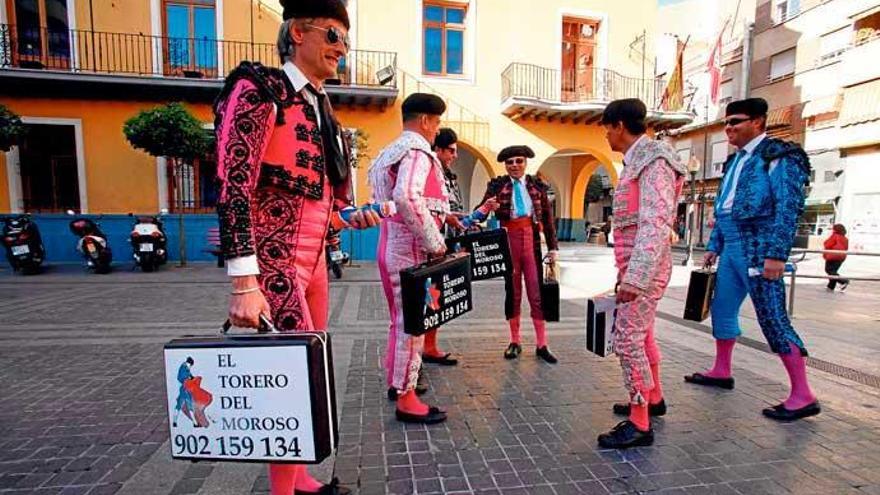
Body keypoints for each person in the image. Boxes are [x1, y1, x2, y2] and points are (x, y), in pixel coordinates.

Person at [215, 1, 379, 493]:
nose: (341, 49)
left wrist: (349, 217)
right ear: (297, 33)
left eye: (345, 41)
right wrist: (245, 283)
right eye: (332, 35)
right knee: (289, 376)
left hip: (315, 264)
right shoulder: (258, 90)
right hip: (276, 263)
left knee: (306, 371)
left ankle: (300, 477)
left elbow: (317, 195)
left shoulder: (320, 105)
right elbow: (234, 186)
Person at [684, 97, 820, 422]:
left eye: (737, 121)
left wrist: (776, 254)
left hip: (759, 246)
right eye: (727, 123)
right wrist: (715, 243)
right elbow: (724, 208)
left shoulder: (780, 156)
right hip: (732, 246)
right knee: (721, 308)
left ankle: (803, 394)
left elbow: (788, 207)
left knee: (772, 316)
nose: (729, 128)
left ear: (758, 122)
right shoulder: (734, 162)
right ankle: (721, 369)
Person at [595, 99, 685, 449]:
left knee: (627, 340)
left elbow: (655, 223)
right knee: (643, 335)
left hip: (643, 271)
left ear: (618, 125)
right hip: (637, 267)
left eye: (606, 127)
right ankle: (654, 398)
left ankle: (639, 419)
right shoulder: (641, 161)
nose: (605, 134)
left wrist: (635, 278)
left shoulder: (652, 161)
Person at [369, 93, 451, 425]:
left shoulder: (387, 152)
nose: (437, 130)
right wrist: (435, 242)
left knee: (399, 321)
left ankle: (397, 382)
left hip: (389, 244)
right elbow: (406, 195)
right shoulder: (417, 150)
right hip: (408, 250)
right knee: (412, 324)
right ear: (427, 121)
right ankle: (407, 396)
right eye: (437, 123)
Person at [477, 145, 559, 364]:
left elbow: (548, 220)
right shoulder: (497, 185)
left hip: (531, 240)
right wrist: (487, 207)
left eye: (519, 161)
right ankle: (515, 341)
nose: (515, 165)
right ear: (505, 165)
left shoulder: (536, 185)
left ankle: (542, 344)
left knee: (536, 291)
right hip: (508, 239)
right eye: (510, 162)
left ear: (525, 163)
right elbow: (480, 212)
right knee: (512, 292)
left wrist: (552, 249)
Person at [824, 224, 850, 291]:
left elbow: (828, 245)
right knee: (833, 271)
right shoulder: (845, 238)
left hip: (833, 256)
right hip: (841, 257)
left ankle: (843, 281)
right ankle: (830, 286)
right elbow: (846, 248)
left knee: (828, 270)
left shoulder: (835, 236)